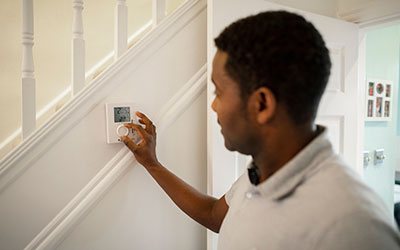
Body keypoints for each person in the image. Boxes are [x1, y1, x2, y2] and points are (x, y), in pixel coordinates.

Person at [121, 11, 400, 250]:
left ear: (262, 104)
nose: (214, 106)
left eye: (218, 92)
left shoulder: (355, 226)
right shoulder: (261, 172)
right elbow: (215, 214)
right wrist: (152, 164)